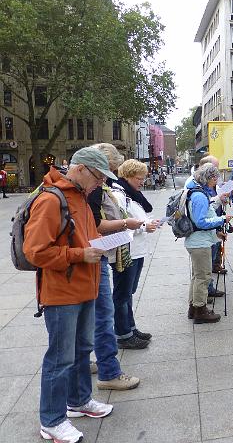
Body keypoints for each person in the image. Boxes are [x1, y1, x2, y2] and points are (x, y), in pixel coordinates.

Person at [23, 147, 115, 442]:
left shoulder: (80, 197)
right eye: (98, 176)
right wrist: (80, 254)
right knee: (60, 358)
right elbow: (35, 251)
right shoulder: (51, 199)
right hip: (62, 293)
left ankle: (79, 400)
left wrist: (100, 243)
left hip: (85, 287)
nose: (100, 183)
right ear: (81, 169)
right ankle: (51, 420)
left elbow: (86, 236)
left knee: (82, 349)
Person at [87, 143, 143, 390]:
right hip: (91, 255)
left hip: (94, 254)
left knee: (96, 313)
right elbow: (95, 224)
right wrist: (125, 224)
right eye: (104, 172)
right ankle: (108, 371)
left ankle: (87, 361)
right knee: (103, 313)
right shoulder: (92, 190)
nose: (105, 179)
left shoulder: (93, 188)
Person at [111, 159, 160, 344]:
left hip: (136, 250)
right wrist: (144, 226)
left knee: (128, 293)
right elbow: (119, 225)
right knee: (122, 294)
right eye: (140, 178)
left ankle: (130, 328)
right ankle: (123, 334)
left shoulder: (130, 193)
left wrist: (147, 223)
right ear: (128, 176)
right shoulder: (119, 194)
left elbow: (136, 218)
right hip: (126, 251)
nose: (142, 182)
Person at [185, 163, 231, 322]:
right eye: (215, 178)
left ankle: (193, 308)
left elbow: (203, 217)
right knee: (203, 276)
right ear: (209, 178)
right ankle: (200, 310)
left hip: (198, 241)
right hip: (200, 243)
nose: (216, 181)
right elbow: (201, 222)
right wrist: (222, 219)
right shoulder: (199, 195)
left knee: (197, 276)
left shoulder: (197, 191)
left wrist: (216, 232)